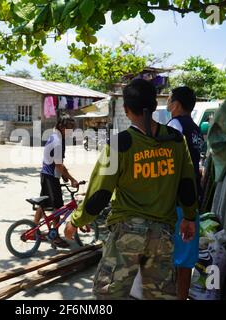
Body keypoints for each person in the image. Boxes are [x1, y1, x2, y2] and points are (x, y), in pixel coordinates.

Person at [64, 79, 198, 300]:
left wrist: (76, 221)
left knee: (108, 295)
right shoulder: (175, 140)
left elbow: (99, 195)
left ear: (126, 110)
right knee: (160, 296)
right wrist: (190, 217)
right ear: (155, 105)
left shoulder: (120, 143)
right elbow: (187, 183)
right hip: (162, 235)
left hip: (127, 234)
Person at [167, 86, 203, 300]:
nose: (167, 103)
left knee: (170, 256)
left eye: (169, 99)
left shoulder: (175, 125)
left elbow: (169, 164)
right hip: (192, 200)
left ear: (177, 104)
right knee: (186, 258)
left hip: (176, 201)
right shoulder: (196, 129)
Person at [35, 116, 79, 248]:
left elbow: (59, 164)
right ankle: (55, 237)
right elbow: (59, 165)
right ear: (61, 127)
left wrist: (64, 175)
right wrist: (71, 178)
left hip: (47, 174)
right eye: (69, 128)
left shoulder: (55, 136)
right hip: (50, 177)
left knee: (42, 203)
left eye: (73, 128)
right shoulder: (58, 141)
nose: (71, 131)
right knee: (57, 207)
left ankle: (34, 229)